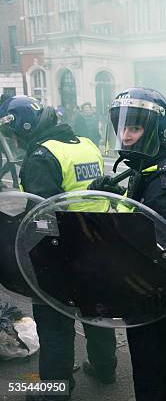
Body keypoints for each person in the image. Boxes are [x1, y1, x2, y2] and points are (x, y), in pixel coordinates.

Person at [0, 96, 117, 401]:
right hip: (99, 244)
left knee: (54, 326)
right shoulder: (85, 143)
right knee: (97, 314)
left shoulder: (41, 156)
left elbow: (42, 214)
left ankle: (54, 391)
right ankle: (105, 368)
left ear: (25, 126)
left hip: (62, 253)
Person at [89, 87, 166, 401]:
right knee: (148, 377)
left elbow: (159, 250)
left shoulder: (165, 184)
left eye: (135, 127)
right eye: (122, 126)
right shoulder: (142, 174)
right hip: (141, 294)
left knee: (159, 382)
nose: (126, 135)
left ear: (157, 132)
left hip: (160, 300)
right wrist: (101, 197)